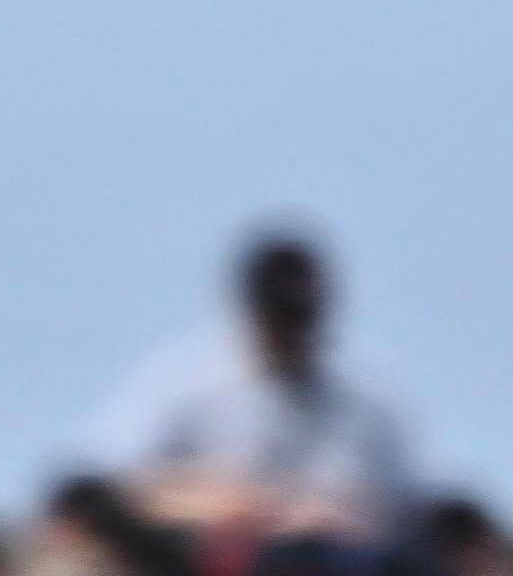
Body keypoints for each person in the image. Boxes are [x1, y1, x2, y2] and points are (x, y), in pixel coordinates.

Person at [87, 226, 421, 543]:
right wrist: (221, 505)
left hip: (340, 566)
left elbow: (406, 506)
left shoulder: (369, 402)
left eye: (297, 315)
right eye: (279, 314)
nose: (288, 330)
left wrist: (330, 513)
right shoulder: (186, 381)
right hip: (199, 560)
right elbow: (109, 486)